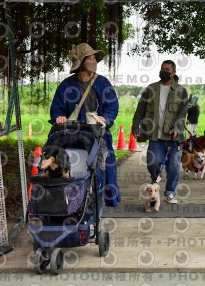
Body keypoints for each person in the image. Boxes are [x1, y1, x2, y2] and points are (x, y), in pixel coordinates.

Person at [49, 43, 121, 206]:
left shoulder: (102, 83)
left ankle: (97, 208)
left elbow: (112, 107)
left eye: (94, 58)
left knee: (101, 172)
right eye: (89, 58)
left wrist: (105, 119)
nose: (94, 61)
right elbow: (57, 108)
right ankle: (72, 204)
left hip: (98, 136)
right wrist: (59, 117)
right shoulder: (66, 85)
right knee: (73, 170)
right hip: (72, 137)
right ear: (80, 62)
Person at [132, 60, 189, 204]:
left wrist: (177, 129)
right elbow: (140, 110)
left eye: (167, 70)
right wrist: (136, 127)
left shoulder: (181, 91)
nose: (164, 71)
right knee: (153, 163)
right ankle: (155, 185)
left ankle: (170, 192)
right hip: (155, 136)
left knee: (174, 166)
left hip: (173, 137)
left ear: (174, 72)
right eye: (162, 69)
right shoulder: (151, 89)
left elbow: (183, 114)